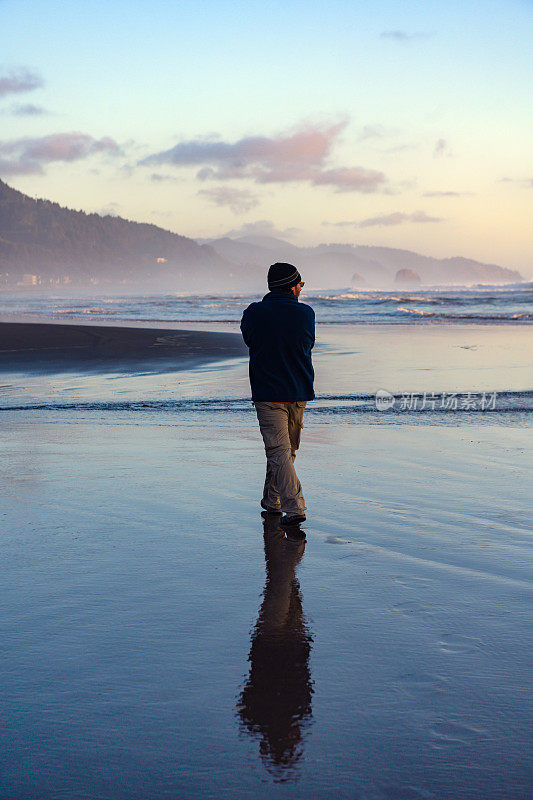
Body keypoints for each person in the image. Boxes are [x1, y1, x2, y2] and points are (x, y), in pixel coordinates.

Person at [240, 262, 315, 528]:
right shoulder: (306, 314)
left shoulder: (253, 313)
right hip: (296, 391)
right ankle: (295, 508)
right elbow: (308, 344)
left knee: (283, 452)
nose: (301, 289)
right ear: (292, 286)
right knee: (282, 451)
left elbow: (249, 340)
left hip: (268, 391)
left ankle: (272, 501)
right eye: (301, 285)